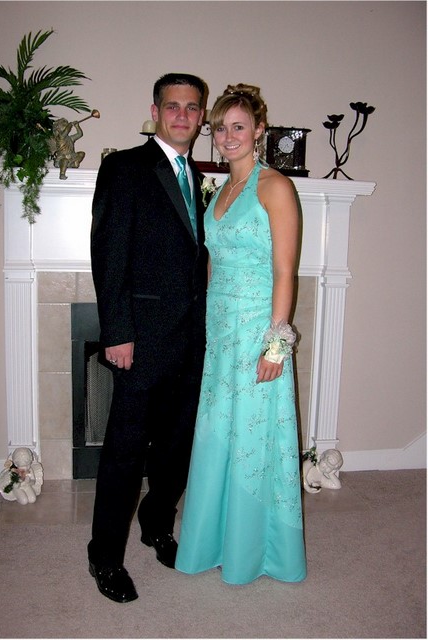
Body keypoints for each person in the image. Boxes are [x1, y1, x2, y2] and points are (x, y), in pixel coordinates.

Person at [175, 83, 307, 585]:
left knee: (252, 435)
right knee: (217, 432)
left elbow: (285, 271)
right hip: (220, 333)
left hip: (256, 331)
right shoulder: (218, 190)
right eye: (220, 128)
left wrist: (276, 344)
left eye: (238, 127)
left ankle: (255, 552)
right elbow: (213, 263)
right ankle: (211, 541)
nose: (227, 137)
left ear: (258, 131)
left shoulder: (275, 187)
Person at [89, 73, 208, 603]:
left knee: (177, 447)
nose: (183, 115)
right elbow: (109, 254)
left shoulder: (198, 176)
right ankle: (104, 556)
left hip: (192, 339)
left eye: (192, 107)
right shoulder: (124, 167)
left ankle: (156, 524)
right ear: (155, 112)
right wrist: (117, 331)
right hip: (140, 338)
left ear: (201, 117)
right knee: (125, 451)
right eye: (173, 106)